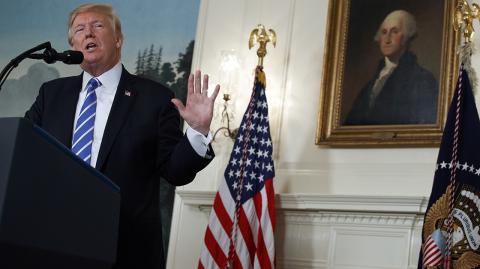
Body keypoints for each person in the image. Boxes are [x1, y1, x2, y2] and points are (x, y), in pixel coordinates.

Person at [24, 3, 219, 269]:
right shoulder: (51, 95)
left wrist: (197, 131)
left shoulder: (155, 98)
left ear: (118, 39)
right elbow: (24, 151)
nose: (88, 34)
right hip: (55, 243)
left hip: (126, 250)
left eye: (98, 26)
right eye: (80, 29)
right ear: (73, 45)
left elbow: (176, 171)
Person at [344, 10, 438, 125]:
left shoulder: (422, 80)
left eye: (394, 32)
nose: (387, 39)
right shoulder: (371, 84)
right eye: (384, 32)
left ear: (406, 37)